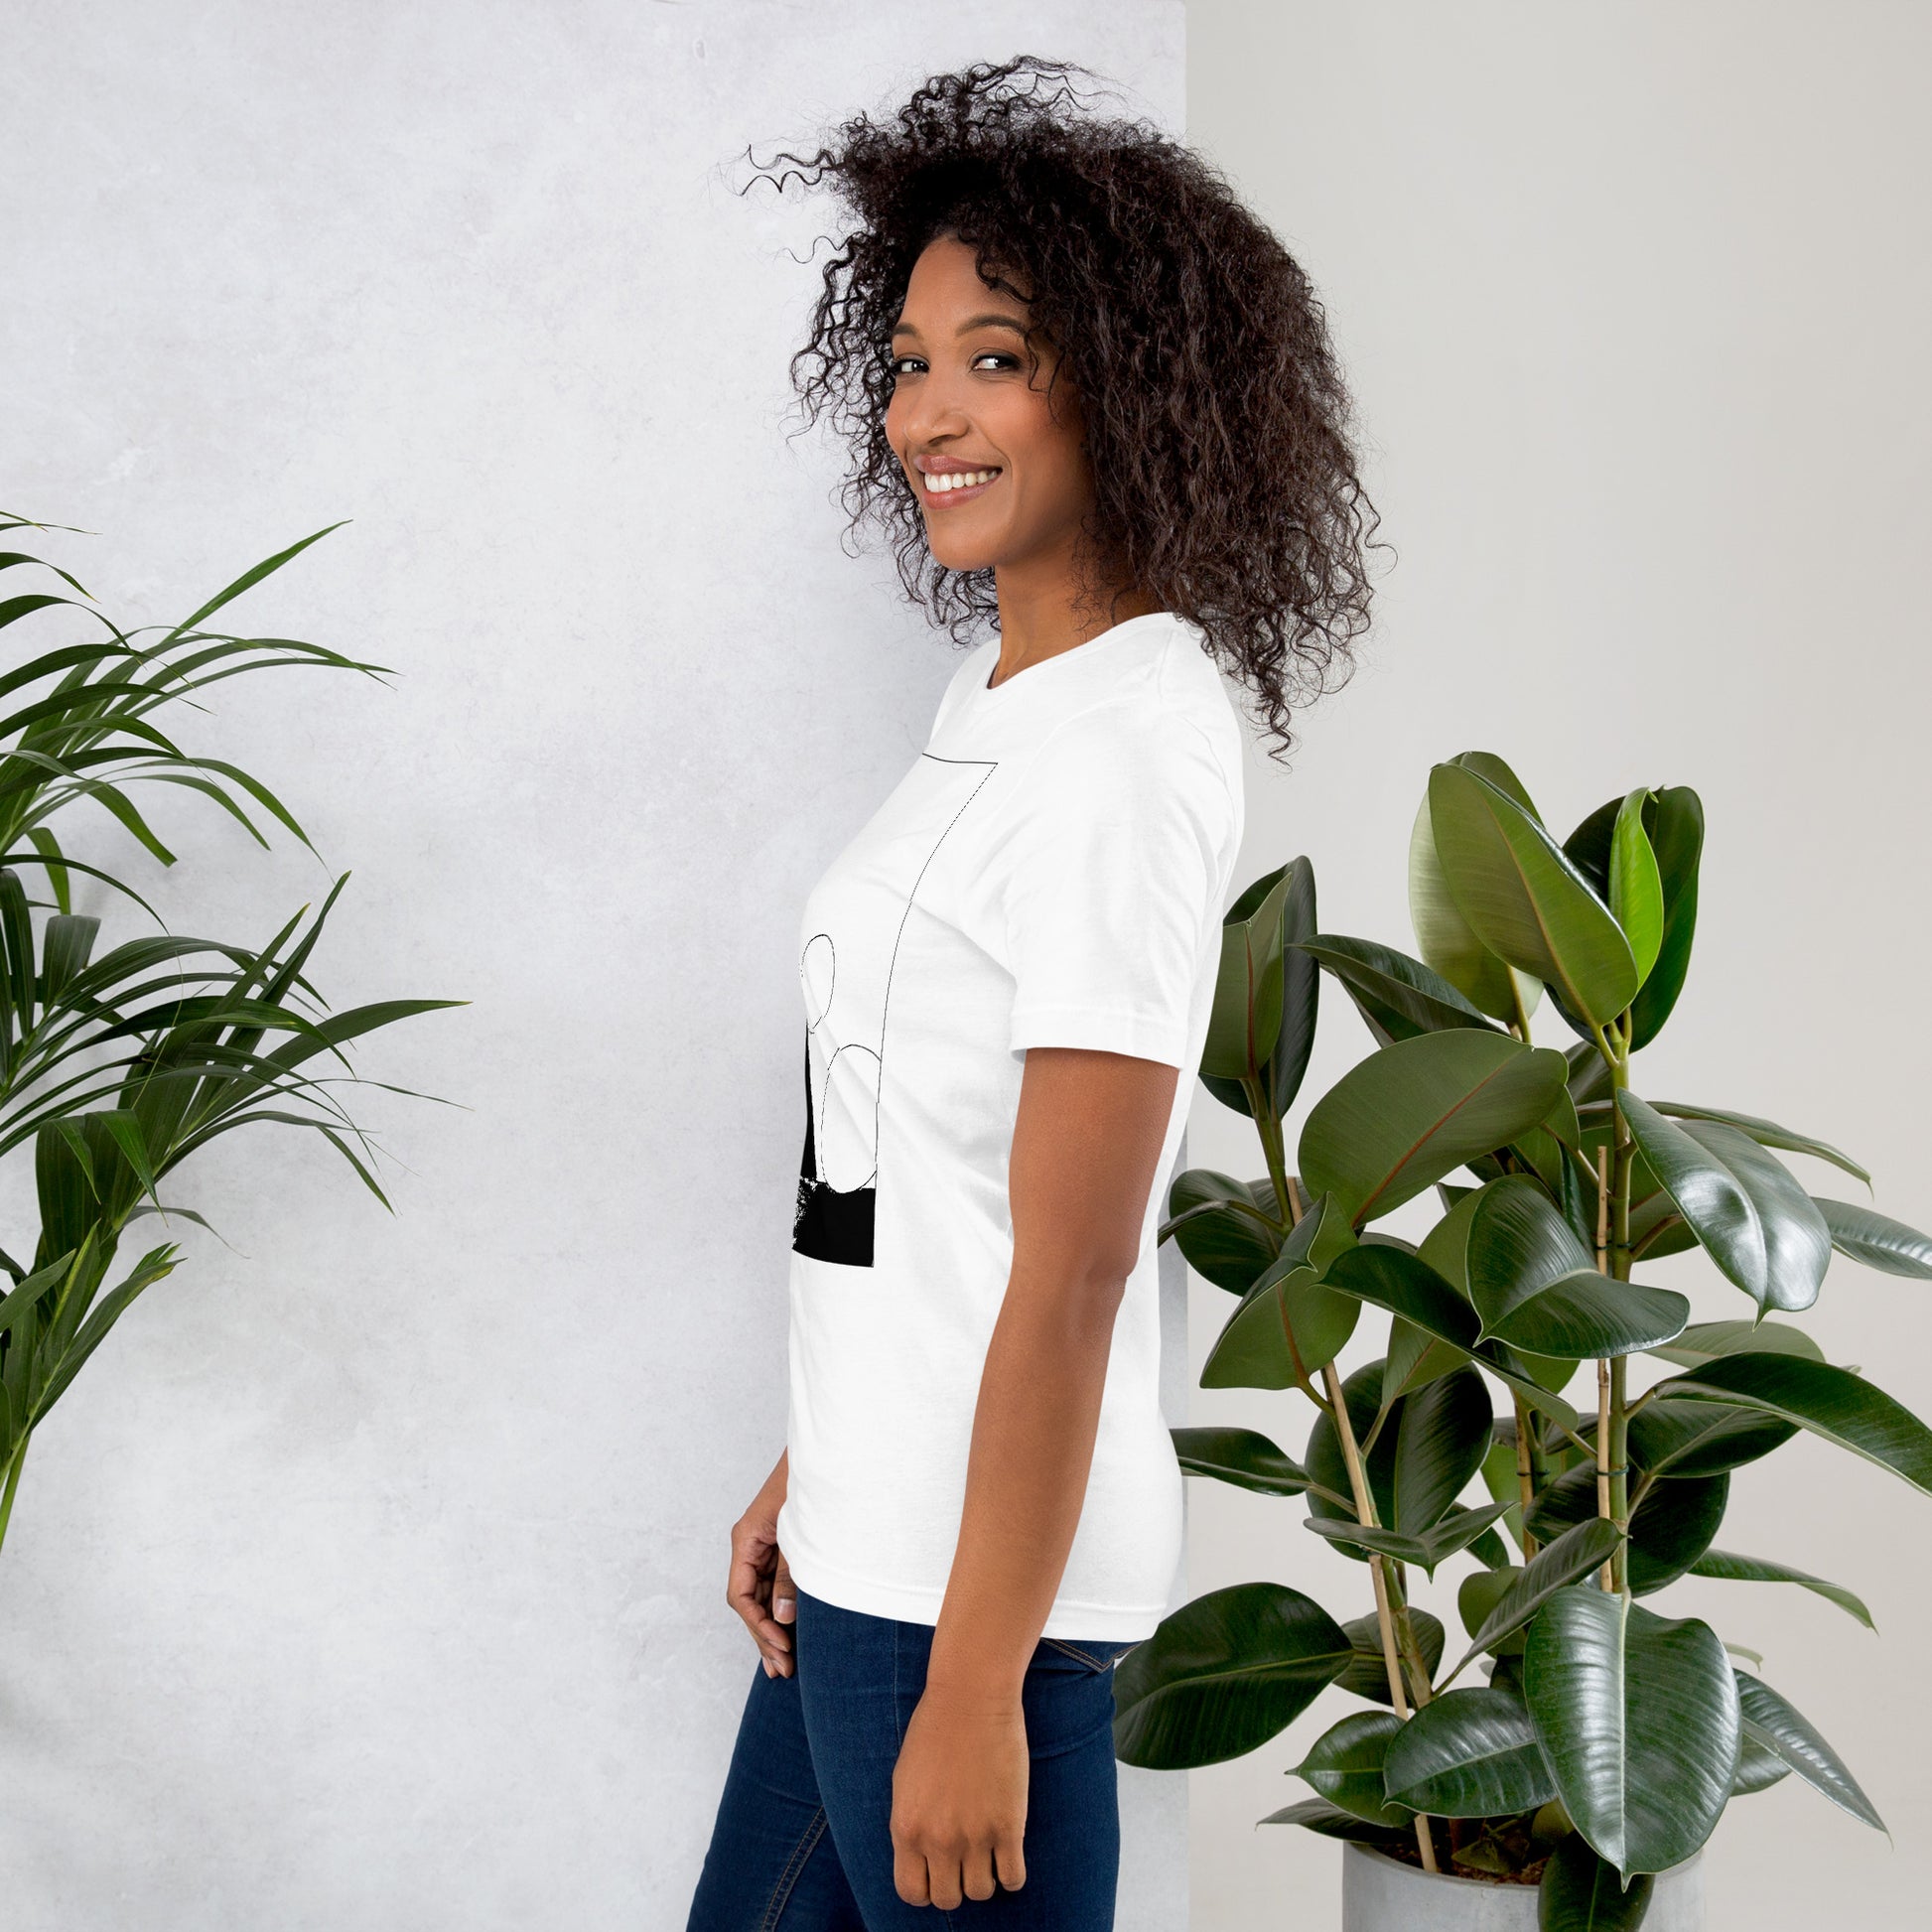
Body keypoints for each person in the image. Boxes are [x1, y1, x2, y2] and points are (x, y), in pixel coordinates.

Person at [687, 56, 1377, 1931]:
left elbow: (1076, 1262)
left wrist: (979, 1683)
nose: (930, 413)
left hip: (970, 1611)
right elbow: (928, 1178)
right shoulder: (999, 703)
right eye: (908, 362)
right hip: (866, 1555)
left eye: (995, 356)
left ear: (1136, 385)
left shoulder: (1131, 744)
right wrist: (813, 1466)